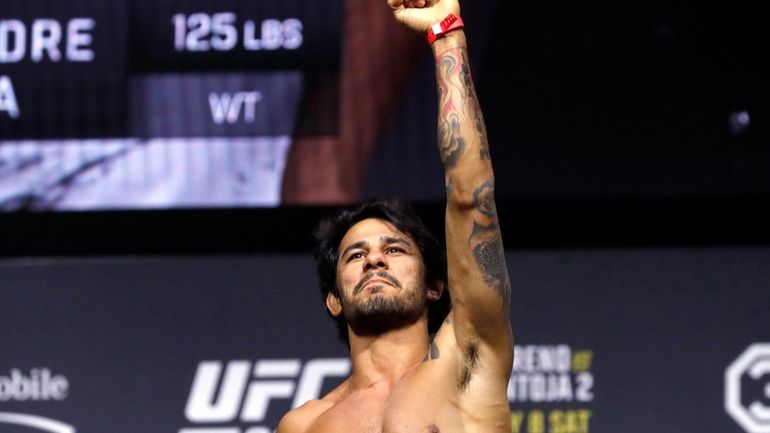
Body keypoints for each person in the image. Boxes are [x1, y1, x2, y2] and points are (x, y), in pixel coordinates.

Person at [277, 0, 513, 431]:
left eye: (395, 248)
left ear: (435, 285)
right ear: (334, 299)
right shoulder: (304, 425)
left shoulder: (468, 360)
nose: (373, 259)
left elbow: (470, 196)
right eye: (354, 255)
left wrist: (446, 34)